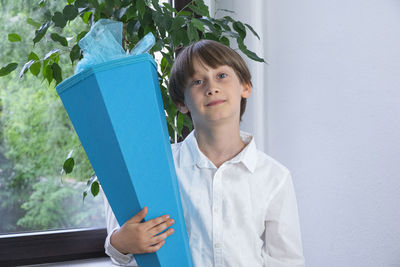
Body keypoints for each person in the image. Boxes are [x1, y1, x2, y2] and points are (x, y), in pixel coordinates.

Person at [104, 39, 305, 266]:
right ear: (182, 104)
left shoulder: (275, 177)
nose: (212, 88)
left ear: (245, 87)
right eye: (198, 81)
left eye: (222, 76)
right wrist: (120, 241)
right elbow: (118, 253)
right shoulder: (158, 166)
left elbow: (287, 260)